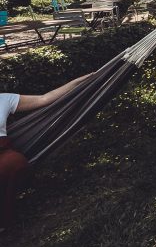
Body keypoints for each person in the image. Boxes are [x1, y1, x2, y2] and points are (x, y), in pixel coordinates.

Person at [0, 74, 92, 234]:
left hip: (2, 151)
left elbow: (43, 99)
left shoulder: (4, 99)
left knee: (15, 162)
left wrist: (76, 82)